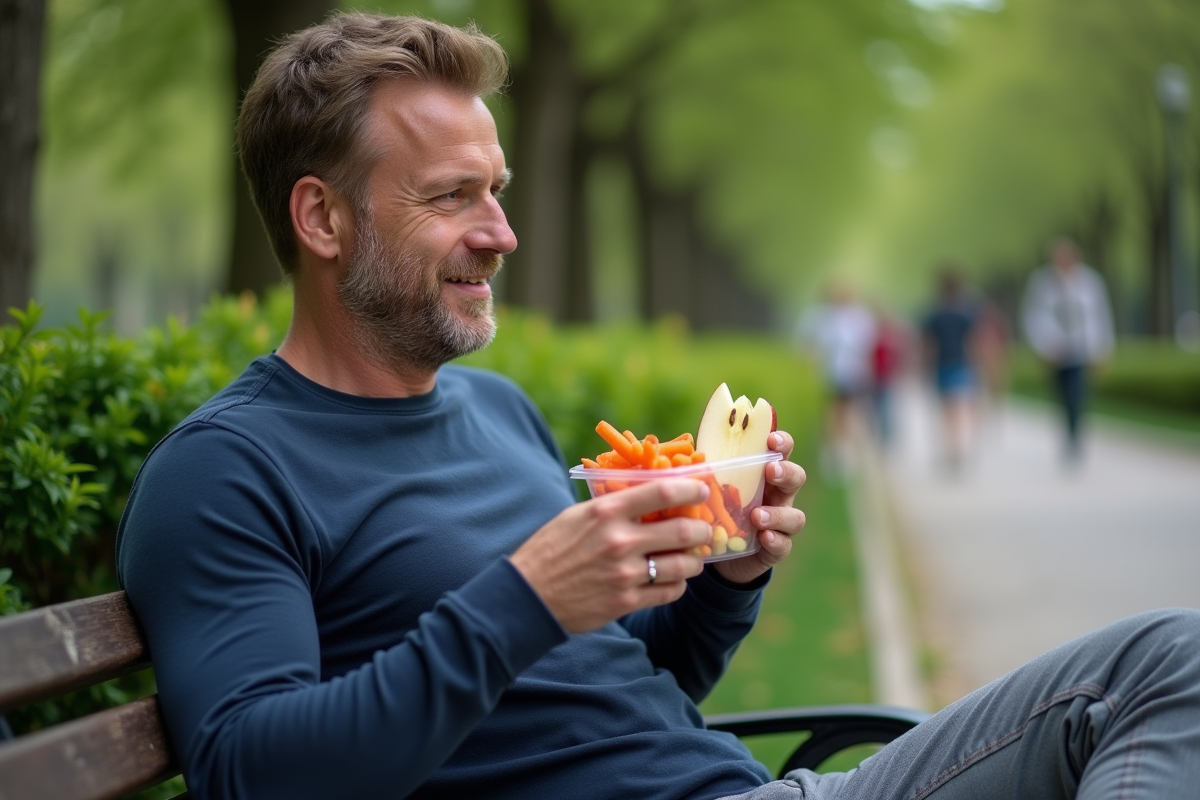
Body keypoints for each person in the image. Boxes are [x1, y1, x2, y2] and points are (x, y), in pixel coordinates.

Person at [116, 13, 1200, 800]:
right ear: (321, 219)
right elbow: (252, 774)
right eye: (452, 196)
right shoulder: (227, 472)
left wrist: (728, 579)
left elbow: (637, 688)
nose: (502, 232)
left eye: (498, 188)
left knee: (1170, 660)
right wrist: (525, 595)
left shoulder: (497, 412)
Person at [1020, 238, 1115, 462]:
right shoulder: (1041, 282)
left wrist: (1102, 349)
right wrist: (1043, 346)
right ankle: (1067, 434)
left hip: (1082, 350)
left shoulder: (1091, 281)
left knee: (1077, 396)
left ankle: (1075, 438)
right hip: (1055, 352)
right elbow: (1032, 316)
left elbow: (1101, 317)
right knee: (1061, 397)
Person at [794, 279, 876, 478]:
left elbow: (866, 345)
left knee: (848, 412)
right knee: (831, 412)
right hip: (829, 373)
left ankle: (847, 453)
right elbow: (808, 342)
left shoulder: (858, 317)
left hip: (850, 372)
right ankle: (832, 453)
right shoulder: (821, 317)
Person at [920, 266, 979, 470]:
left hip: (944, 366)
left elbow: (928, 346)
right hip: (961, 365)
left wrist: (923, 367)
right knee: (959, 409)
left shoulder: (935, 315)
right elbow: (974, 343)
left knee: (948, 410)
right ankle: (958, 447)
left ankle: (954, 448)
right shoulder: (966, 314)